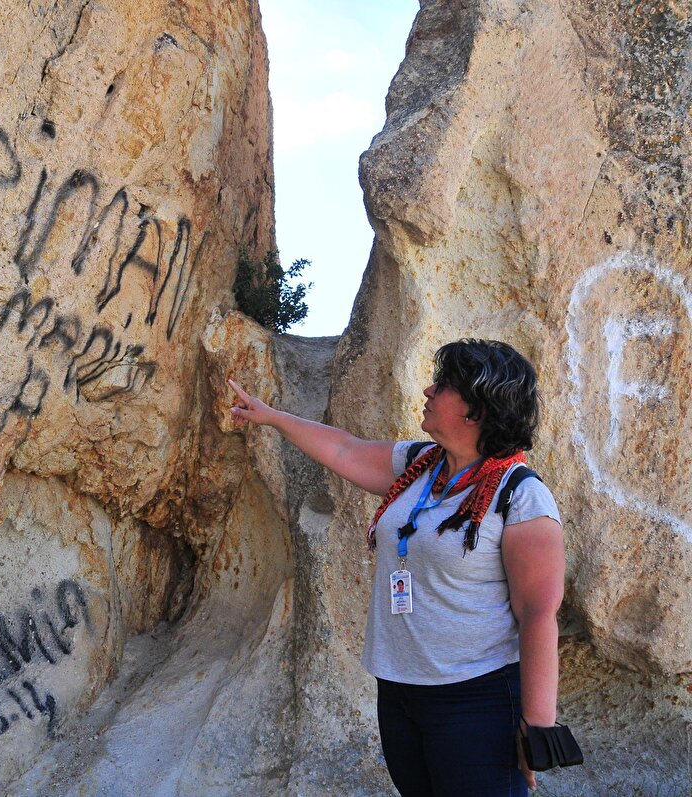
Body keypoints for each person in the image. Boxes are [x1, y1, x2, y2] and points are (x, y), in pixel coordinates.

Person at [228, 339, 564, 797]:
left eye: (443, 385)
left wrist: (538, 728)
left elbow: (539, 613)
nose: (428, 390)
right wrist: (271, 416)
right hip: (400, 692)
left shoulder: (520, 495)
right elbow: (345, 451)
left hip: (476, 700)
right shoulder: (421, 465)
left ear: (476, 411)